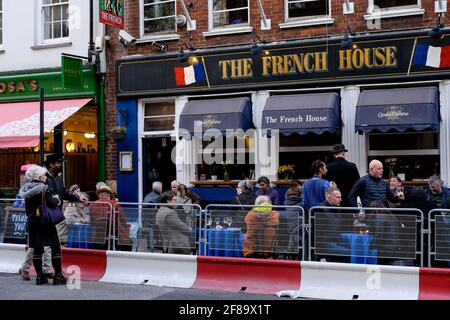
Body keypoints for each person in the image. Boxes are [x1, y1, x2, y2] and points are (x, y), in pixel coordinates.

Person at [18, 165, 67, 285]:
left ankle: (40, 277)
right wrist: (57, 198)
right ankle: (58, 276)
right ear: (40, 177)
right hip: (45, 221)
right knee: (55, 246)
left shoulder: (25, 189)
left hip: (32, 221)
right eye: (44, 175)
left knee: (37, 249)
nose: (45, 177)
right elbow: (52, 202)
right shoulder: (45, 188)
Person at [90, 185, 131, 250]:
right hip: (113, 231)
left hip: (98, 234)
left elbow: (91, 219)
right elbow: (124, 219)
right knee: (126, 236)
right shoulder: (114, 203)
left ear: (99, 196)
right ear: (109, 196)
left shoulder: (92, 204)